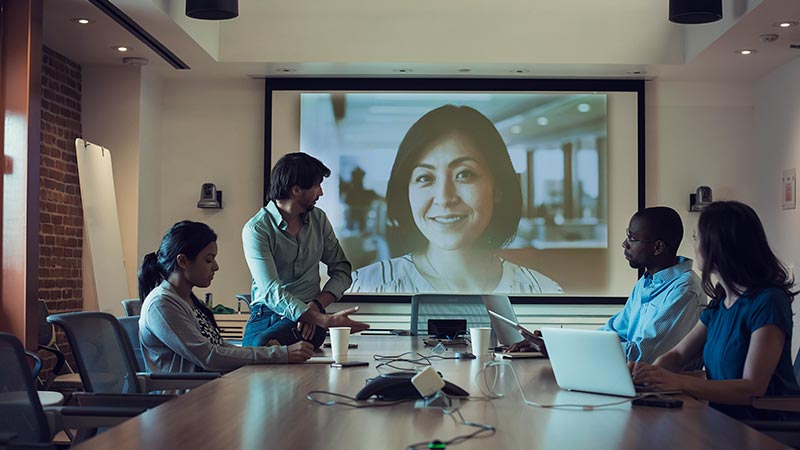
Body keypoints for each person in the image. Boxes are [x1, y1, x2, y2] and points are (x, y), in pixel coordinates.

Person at [350, 105, 562, 294]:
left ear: (498, 188)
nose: (444, 198)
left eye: (464, 174)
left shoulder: (542, 291)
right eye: (425, 178)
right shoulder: (365, 287)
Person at [632, 201, 800, 420]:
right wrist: (650, 376)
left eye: (696, 237)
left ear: (717, 245)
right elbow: (678, 354)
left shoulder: (768, 302)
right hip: (722, 421)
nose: (693, 245)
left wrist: (676, 380)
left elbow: (752, 387)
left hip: (765, 427)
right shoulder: (721, 301)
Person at [510, 207, 705, 364]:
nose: (624, 244)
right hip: (636, 384)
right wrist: (555, 341)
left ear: (658, 247)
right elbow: (612, 333)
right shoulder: (645, 283)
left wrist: (562, 347)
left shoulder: (684, 290)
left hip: (669, 396)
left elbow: (641, 356)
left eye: (632, 238)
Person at [139, 221, 315, 373]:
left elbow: (219, 347)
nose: (215, 267)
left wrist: (264, 351)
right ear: (183, 261)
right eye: (208, 260)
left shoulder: (186, 299)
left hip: (208, 388)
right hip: (184, 400)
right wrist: (280, 354)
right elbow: (209, 356)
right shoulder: (161, 304)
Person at [242, 152, 369, 348]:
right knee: (256, 351)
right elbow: (270, 291)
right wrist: (323, 320)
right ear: (296, 190)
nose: (321, 193)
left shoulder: (319, 219)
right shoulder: (257, 229)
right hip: (266, 313)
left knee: (264, 346)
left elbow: (342, 270)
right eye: (317, 186)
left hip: (310, 319)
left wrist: (315, 308)